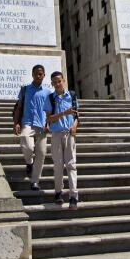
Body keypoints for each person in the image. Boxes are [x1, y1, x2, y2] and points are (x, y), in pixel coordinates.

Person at [12, 64, 51, 191]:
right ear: (32, 74)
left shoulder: (48, 92)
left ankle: (35, 181)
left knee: (41, 154)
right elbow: (18, 107)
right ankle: (29, 163)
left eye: (41, 74)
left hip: (42, 125)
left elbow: (51, 111)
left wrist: (49, 124)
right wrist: (16, 123)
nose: (38, 76)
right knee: (26, 144)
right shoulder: (25, 89)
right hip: (27, 122)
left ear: (44, 75)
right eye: (36, 73)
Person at [45, 71, 79, 210]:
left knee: (71, 165)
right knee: (58, 165)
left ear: (64, 80)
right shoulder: (50, 98)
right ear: (52, 83)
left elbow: (77, 115)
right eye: (55, 82)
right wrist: (64, 113)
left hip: (69, 133)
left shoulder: (71, 95)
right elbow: (49, 119)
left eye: (59, 81)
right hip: (56, 134)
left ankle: (73, 196)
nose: (58, 84)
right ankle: (58, 192)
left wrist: (75, 126)